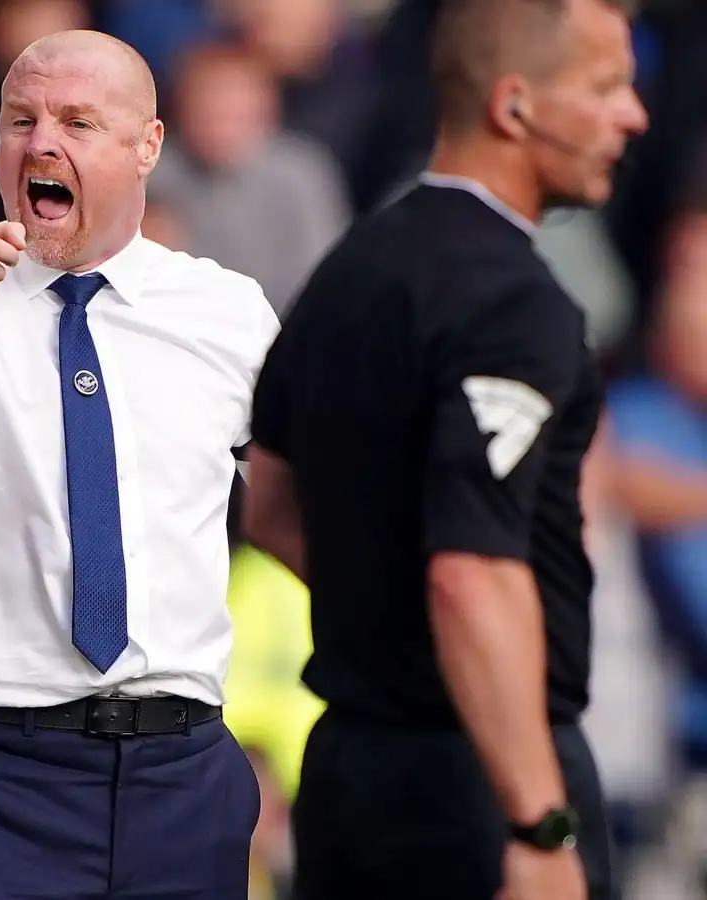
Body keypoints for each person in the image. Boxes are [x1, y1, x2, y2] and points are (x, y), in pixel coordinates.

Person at [0, 29, 279, 900]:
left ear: (148, 147)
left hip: (181, 772)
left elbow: (309, 484)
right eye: (20, 119)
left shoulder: (227, 312)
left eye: (78, 121)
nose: (42, 143)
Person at [241, 1, 649, 899]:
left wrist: (395, 625)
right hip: (481, 788)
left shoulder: (350, 267)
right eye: (608, 86)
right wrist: (537, 826)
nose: (635, 114)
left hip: (346, 779)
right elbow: (472, 572)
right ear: (516, 106)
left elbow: (266, 501)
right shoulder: (515, 303)